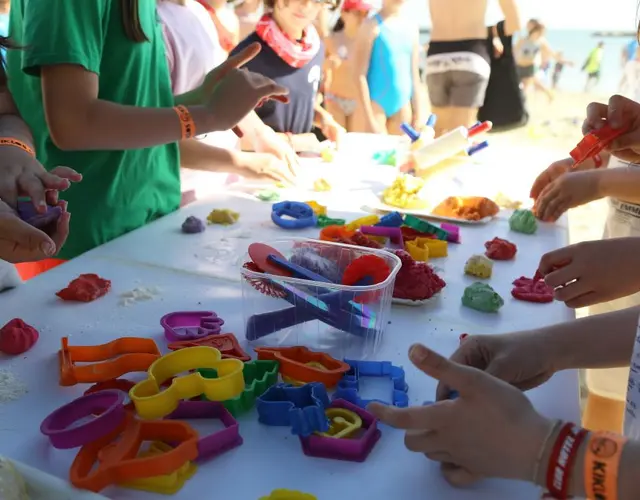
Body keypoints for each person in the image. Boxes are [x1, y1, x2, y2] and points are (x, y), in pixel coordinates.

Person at [5, 0, 289, 280]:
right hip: (76, 240)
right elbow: (73, 123)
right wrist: (206, 115)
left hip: (145, 223)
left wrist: (201, 99)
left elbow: (124, 107)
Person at [158, 0, 298, 184]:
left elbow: (218, 87)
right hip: (180, 189)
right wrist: (241, 163)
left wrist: (261, 133)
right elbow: (151, 128)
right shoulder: (155, 23)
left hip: (221, 182)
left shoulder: (198, 12)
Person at [230, 0, 345, 152]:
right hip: (259, 171)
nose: (306, 5)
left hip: (302, 168)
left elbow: (294, 99)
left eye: (316, 0)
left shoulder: (315, 50)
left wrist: (322, 118)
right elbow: (228, 136)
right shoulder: (247, 55)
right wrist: (294, 142)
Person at [425, 0, 519, 137]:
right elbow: (514, 23)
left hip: (436, 55)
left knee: (437, 132)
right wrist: (488, 32)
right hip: (471, 53)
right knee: (460, 134)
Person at [353, 0, 424, 135]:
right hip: (376, 103)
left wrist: (419, 114)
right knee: (377, 152)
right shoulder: (371, 26)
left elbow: (414, 75)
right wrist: (368, 118)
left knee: (400, 154)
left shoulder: (412, 28)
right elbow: (359, 75)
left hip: (402, 104)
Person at [323, 0, 372, 132]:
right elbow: (319, 68)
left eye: (365, 13)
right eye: (358, 13)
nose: (363, 18)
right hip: (335, 99)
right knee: (338, 143)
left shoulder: (367, 41)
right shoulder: (331, 39)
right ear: (344, 14)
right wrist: (329, 63)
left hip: (357, 101)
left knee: (356, 143)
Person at [514, 20, 556, 102]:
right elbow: (514, 51)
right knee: (534, 84)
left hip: (530, 67)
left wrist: (564, 61)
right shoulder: (523, 39)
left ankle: (521, 107)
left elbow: (551, 53)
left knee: (524, 89)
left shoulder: (541, 41)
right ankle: (549, 94)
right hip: (519, 66)